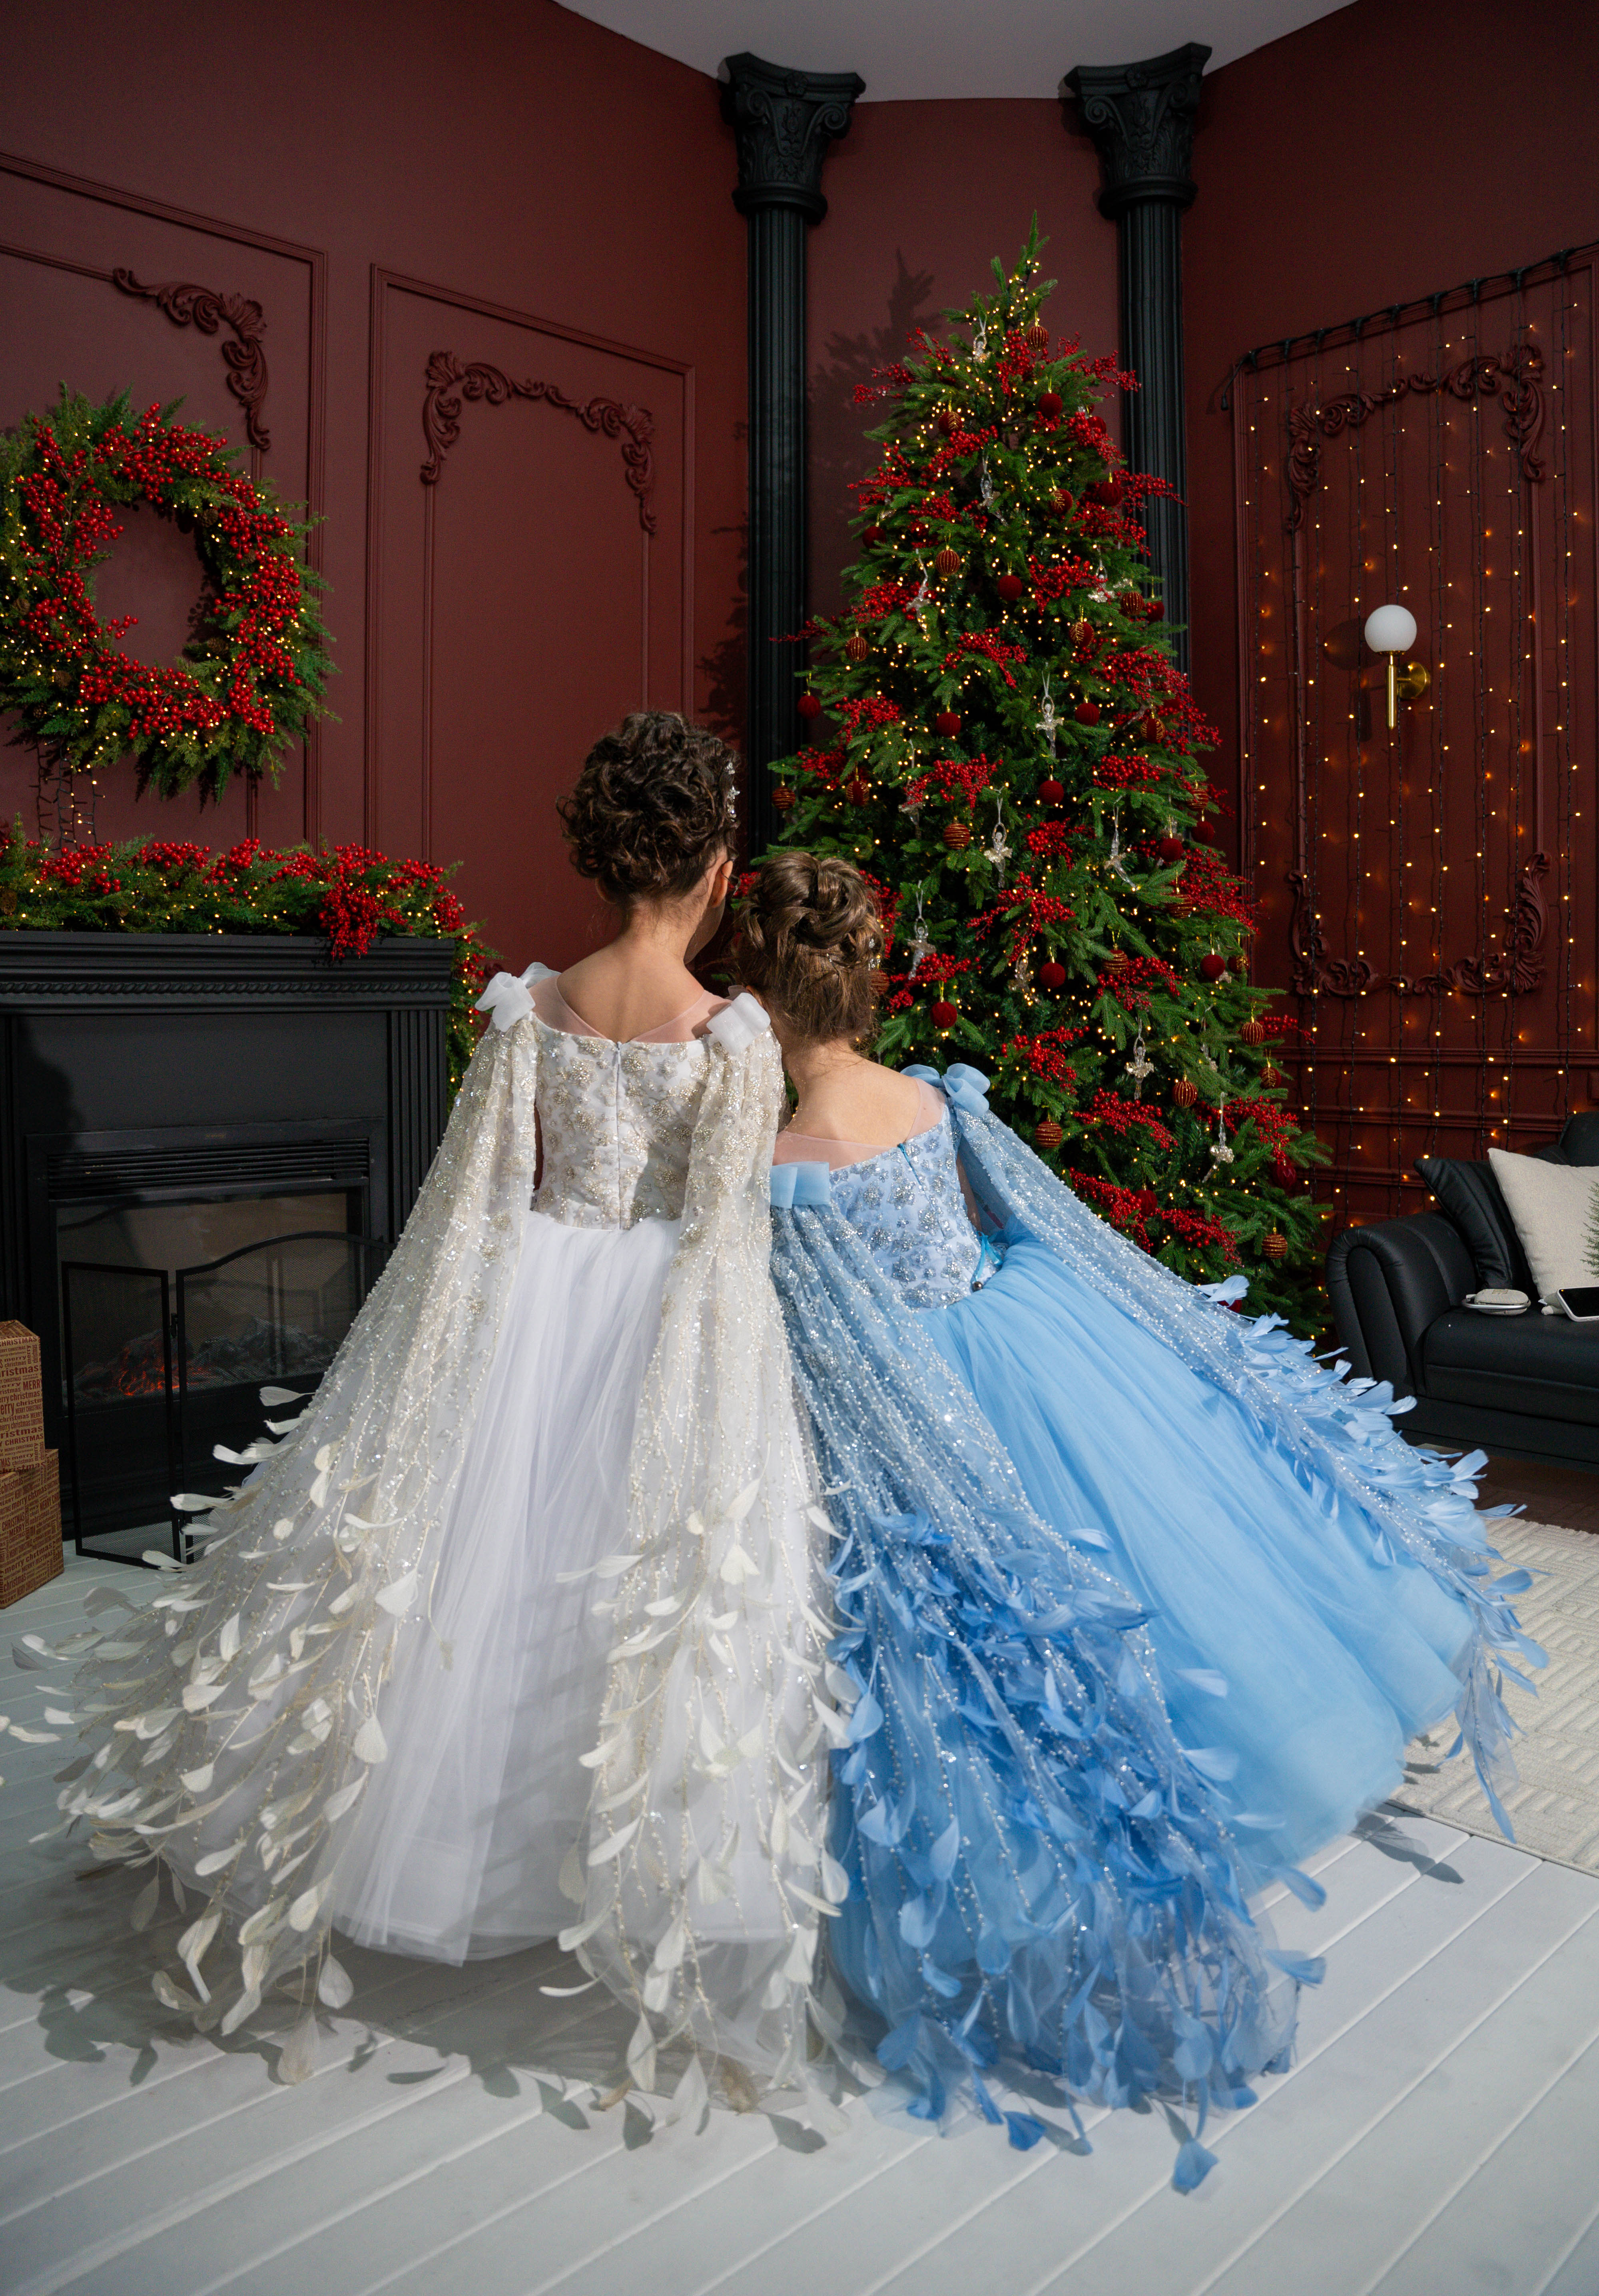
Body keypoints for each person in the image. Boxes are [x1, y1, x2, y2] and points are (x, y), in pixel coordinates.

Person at [38, 715, 829, 2106]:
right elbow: (725, 1245)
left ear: (603, 861)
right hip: (664, 1331)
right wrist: (721, 1410)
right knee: (624, 1598)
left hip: (526, 1308)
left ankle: (445, 1848)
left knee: (486, 1581)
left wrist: (426, 1365)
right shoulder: (734, 1039)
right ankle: (616, 1878)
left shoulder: (533, 1007)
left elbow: (470, 1213)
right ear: (716, 870)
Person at [737, 850, 1537, 2152]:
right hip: (1023, 1344)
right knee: (1148, 1577)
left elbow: (821, 1333)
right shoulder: (928, 1096)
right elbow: (996, 1224)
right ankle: (1233, 1763)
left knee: (1017, 1635)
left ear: (766, 998)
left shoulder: (787, 1160)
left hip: (922, 1405)